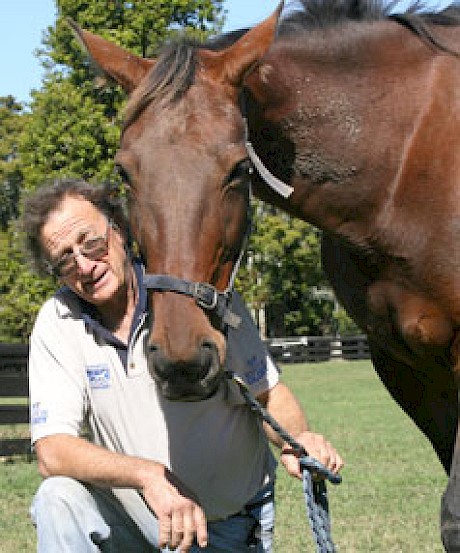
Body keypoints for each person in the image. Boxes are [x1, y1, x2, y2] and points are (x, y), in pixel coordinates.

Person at [23, 178, 344, 553]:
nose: (85, 264)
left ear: (120, 230)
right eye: (65, 259)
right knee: (57, 499)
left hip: (223, 528)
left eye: (91, 243)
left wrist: (297, 440)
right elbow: (53, 450)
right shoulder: (58, 322)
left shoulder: (196, 296)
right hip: (133, 520)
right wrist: (149, 475)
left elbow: (267, 393)